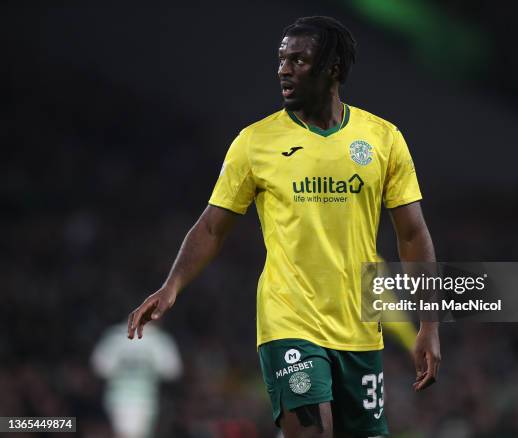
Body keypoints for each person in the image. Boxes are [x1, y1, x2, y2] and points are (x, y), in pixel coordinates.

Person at [127, 16, 440, 438]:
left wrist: (429, 324)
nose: (283, 69)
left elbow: (412, 234)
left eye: (298, 59)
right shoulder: (255, 142)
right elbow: (211, 228)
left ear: (332, 67)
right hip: (288, 320)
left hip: (360, 330)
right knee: (312, 432)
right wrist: (172, 285)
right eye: (281, 59)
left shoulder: (383, 139)